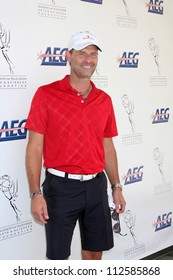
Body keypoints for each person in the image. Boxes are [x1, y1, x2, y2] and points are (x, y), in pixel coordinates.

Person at [25, 31, 126, 260]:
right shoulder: (46, 95)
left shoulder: (104, 100)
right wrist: (35, 193)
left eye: (93, 54)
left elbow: (107, 146)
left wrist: (116, 186)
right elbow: (34, 147)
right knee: (58, 258)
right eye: (82, 53)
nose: (88, 59)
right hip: (60, 188)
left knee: (94, 253)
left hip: (96, 186)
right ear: (68, 57)